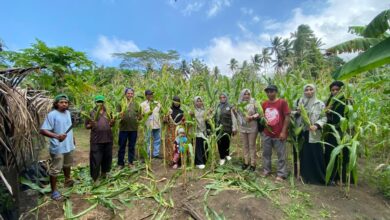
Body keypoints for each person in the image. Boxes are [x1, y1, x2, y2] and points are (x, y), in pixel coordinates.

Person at [40, 94, 75, 201]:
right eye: (61, 102)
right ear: (56, 104)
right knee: (55, 169)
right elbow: (43, 130)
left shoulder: (68, 113)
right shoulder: (52, 115)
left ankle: (67, 180)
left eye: (66, 102)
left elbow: (69, 128)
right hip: (58, 147)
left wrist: (73, 139)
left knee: (67, 164)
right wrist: (57, 136)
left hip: (69, 145)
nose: (64, 104)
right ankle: (54, 191)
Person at [294, 84, 327, 184]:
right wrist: (297, 113)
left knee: (316, 154)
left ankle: (317, 178)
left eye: (311, 89)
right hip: (303, 133)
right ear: (304, 92)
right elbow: (293, 116)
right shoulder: (299, 103)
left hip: (314, 133)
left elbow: (324, 118)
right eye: (306, 90)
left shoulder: (320, 104)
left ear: (314, 90)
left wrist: (317, 125)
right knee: (305, 155)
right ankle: (305, 177)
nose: (309, 92)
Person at [324, 81, 352, 184]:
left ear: (341, 90)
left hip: (344, 131)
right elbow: (326, 116)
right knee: (330, 153)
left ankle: (341, 178)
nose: (335, 91)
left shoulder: (347, 101)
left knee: (344, 154)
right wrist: (326, 111)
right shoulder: (330, 101)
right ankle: (330, 177)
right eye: (333, 90)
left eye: (337, 89)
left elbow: (351, 116)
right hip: (332, 130)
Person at [261, 85, 290, 181]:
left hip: (279, 133)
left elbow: (287, 117)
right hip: (267, 133)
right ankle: (266, 170)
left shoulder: (282, 102)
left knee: (281, 154)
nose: (269, 93)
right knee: (266, 153)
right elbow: (263, 117)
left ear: (276, 92)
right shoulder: (264, 104)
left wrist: (283, 132)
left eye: (272, 91)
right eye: (268, 92)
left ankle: (281, 174)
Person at [85, 95, 114, 182]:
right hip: (96, 140)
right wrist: (91, 124)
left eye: (101, 102)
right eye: (98, 102)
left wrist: (112, 122)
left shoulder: (108, 112)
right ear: (95, 102)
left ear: (103, 102)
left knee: (107, 158)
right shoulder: (91, 113)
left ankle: (104, 173)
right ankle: (95, 178)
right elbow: (86, 126)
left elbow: (112, 124)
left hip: (108, 138)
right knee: (95, 159)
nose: (100, 103)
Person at [117, 88, 141, 169]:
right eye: (128, 93)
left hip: (133, 129)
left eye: (131, 93)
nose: (130, 95)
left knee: (132, 146)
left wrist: (140, 117)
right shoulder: (121, 103)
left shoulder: (136, 104)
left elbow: (139, 115)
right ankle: (120, 163)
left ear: (133, 94)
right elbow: (116, 116)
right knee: (121, 146)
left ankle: (131, 163)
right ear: (125, 94)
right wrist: (120, 115)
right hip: (123, 129)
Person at [236, 89, 259, 171]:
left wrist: (252, 117)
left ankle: (253, 164)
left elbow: (259, 113)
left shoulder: (254, 102)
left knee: (252, 145)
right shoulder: (239, 103)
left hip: (252, 127)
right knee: (245, 145)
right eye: (245, 94)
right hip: (243, 127)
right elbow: (237, 114)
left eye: (248, 94)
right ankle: (246, 162)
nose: (246, 96)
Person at [214, 93, 237, 166]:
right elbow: (213, 116)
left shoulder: (230, 107)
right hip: (219, 128)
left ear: (226, 98)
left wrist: (234, 128)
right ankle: (222, 158)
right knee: (220, 143)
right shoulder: (217, 106)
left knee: (227, 142)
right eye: (221, 97)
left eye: (224, 97)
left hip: (227, 128)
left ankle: (227, 154)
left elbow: (234, 118)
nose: (222, 98)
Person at [140, 90, 162, 159]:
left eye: (152, 94)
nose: (151, 96)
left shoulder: (157, 104)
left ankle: (156, 154)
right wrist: (146, 114)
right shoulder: (142, 104)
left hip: (157, 124)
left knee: (157, 139)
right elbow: (140, 115)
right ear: (146, 96)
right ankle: (147, 154)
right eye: (149, 95)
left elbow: (162, 112)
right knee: (147, 140)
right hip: (148, 125)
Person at [164, 96, 185, 164]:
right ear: (173, 102)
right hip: (170, 132)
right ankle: (171, 161)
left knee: (178, 145)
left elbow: (184, 122)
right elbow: (165, 121)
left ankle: (178, 161)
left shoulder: (181, 112)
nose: (176, 103)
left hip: (179, 132)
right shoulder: (169, 110)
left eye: (178, 102)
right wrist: (165, 117)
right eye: (175, 102)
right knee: (171, 146)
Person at [192, 96, 209, 169]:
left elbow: (208, 120)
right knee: (198, 147)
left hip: (204, 131)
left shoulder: (204, 110)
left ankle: (204, 161)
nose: (199, 103)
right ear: (195, 102)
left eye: (200, 101)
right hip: (196, 131)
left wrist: (209, 114)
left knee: (204, 146)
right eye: (197, 101)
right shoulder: (193, 111)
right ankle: (199, 162)